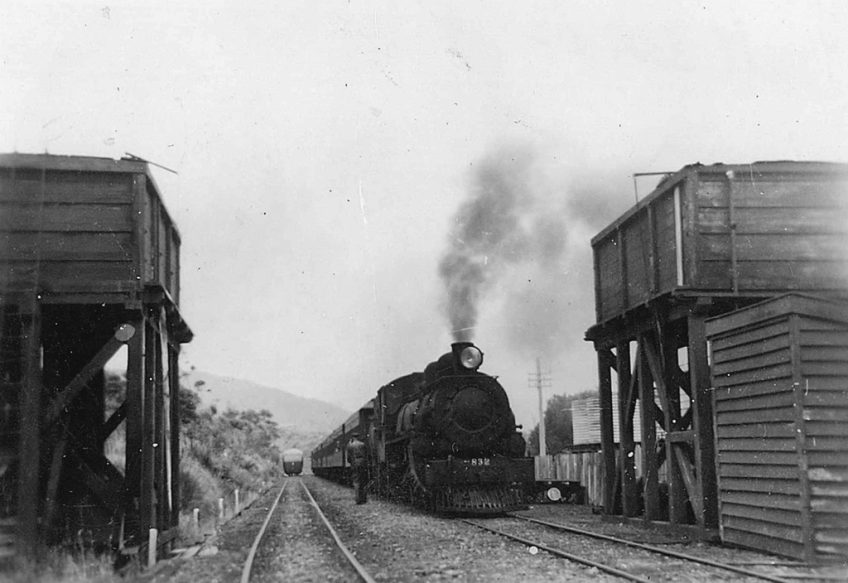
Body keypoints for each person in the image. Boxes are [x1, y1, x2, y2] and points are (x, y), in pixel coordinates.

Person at [346, 435, 368, 504]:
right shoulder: (363, 444)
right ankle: (364, 499)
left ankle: (358, 500)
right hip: (363, 464)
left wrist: (352, 462)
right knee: (363, 481)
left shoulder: (350, 446)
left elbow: (348, 458)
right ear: (358, 437)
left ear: (353, 438)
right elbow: (366, 454)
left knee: (356, 482)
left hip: (355, 464)